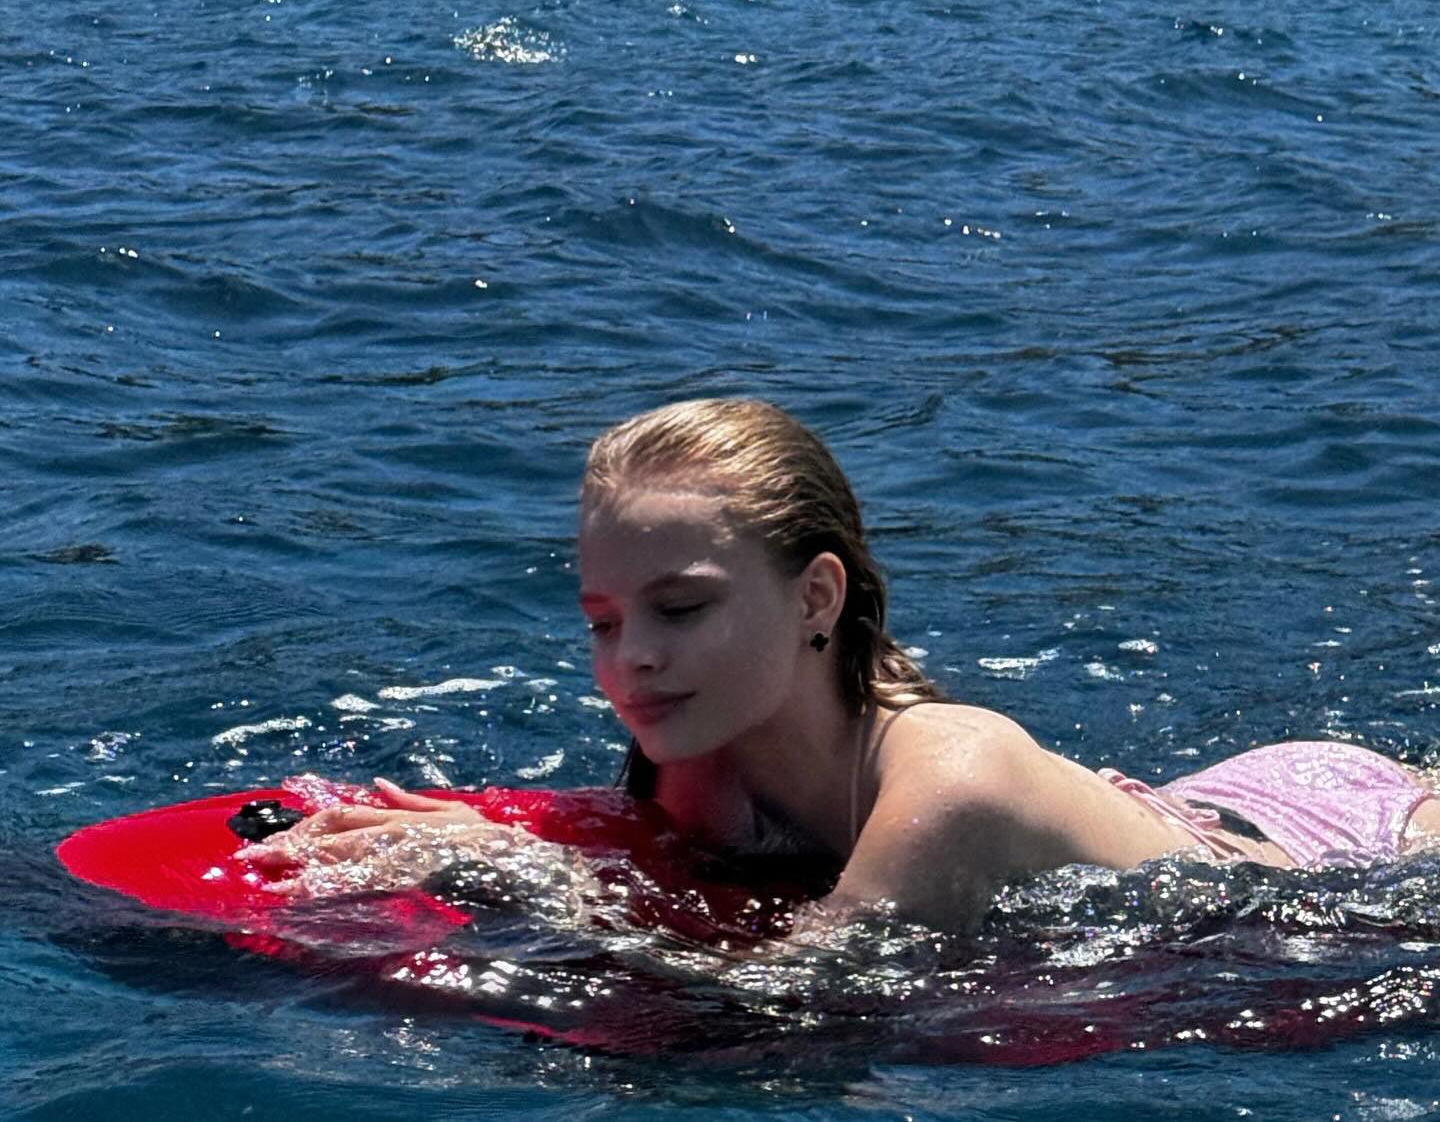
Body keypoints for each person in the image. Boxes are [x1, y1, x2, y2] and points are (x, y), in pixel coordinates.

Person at [241, 398, 1440, 936]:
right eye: (602, 619)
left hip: (1342, 849)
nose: (633, 655)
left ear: (817, 595)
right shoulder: (696, 755)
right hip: (1189, 800)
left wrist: (526, 878)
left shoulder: (956, 775)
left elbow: (810, 996)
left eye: (681, 607)